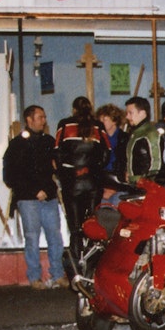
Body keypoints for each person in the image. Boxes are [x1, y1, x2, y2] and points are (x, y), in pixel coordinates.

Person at [3, 105, 67, 290]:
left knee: (55, 236)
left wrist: (48, 189)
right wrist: (34, 191)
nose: (44, 120)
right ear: (29, 120)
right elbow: (11, 175)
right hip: (28, 198)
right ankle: (34, 277)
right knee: (32, 237)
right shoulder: (16, 145)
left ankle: (57, 274)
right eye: (40, 117)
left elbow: (54, 167)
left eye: (45, 117)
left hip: (49, 197)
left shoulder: (49, 141)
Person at [54, 96, 109, 259]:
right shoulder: (98, 127)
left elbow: (57, 153)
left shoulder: (64, 125)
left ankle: (76, 266)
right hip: (93, 182)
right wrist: (94, 169)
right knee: (93, 226)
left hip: (72, 183)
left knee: (76, 229)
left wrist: (64, 174)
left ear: (74, 110)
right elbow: (107, 154)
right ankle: (92, 267)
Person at [123, 96, 162, 183]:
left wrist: (144, 183)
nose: (127, 117)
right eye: (127, 113)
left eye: (130, 113)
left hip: (145, 187)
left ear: (143, 113)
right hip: (135, 184)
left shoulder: (151, 134)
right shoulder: (135, 133)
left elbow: (156, 165)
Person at [96, 103, 126, 202]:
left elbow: (124, 165)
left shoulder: (125, 138)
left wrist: (114, 188)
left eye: (104, 119)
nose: (101, 123)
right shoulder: (97, 140)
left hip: (120, 185)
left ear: (114, 120)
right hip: (102, 186)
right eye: (100, 120)